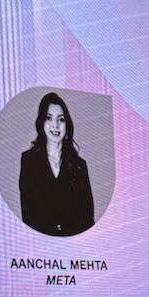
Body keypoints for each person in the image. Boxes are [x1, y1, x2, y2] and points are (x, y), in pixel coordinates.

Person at [18, 92, 96, 239]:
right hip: (41, 247)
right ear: (42, 123)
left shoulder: (80, 166)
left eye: (61, 119)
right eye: (49, 118)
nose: (55, 125)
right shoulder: (28, 161)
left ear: (67, 125)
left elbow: (88, 218)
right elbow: (28, 214)